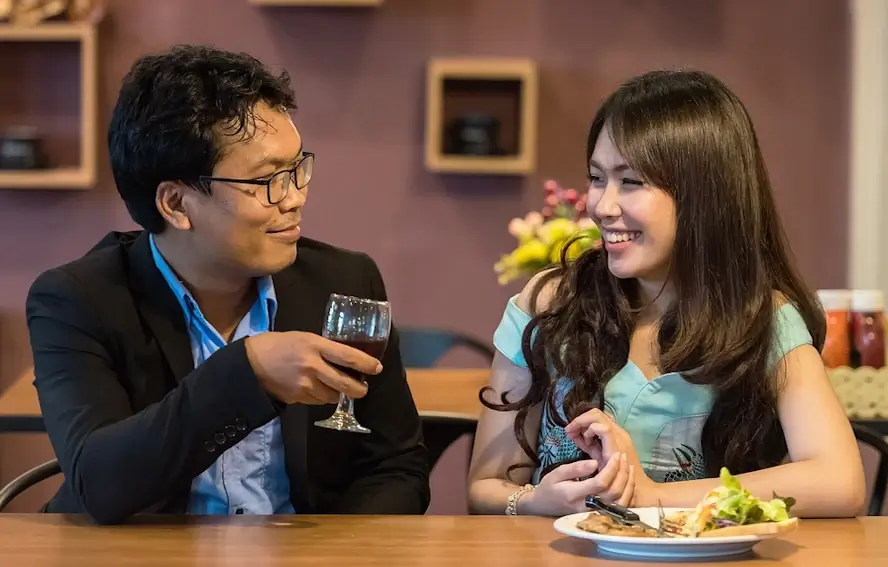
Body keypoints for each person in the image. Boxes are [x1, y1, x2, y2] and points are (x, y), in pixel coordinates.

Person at [25, 45, 429, 524]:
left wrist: (328, 557)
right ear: (176, 204)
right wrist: (248, 373)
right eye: (267, 181)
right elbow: (100, 482)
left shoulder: (343, 281)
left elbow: (397, 467)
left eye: (298, 169)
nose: (295, 197)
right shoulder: (76, 299)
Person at [467, 69, 866, 518]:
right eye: (598, 178)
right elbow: (486, 487)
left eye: (631, 182)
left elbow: (841, 481)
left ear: (704, 197)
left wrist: (649, 495)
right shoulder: (549, 304)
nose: (603, 205)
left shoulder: (763, 319)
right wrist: (534, 500)